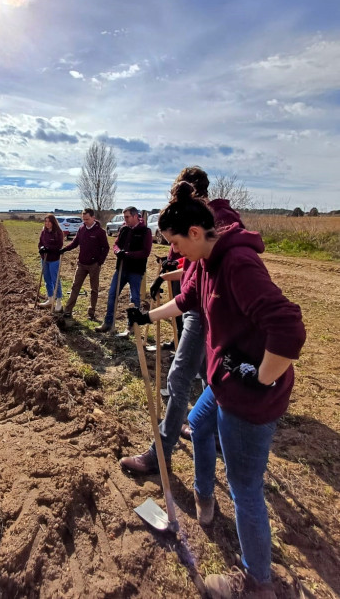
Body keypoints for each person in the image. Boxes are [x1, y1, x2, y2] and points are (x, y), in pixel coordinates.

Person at [127, 182, 306, 598]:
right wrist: (145, 315)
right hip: (224, 384)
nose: (174, 253)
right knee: (198, 422)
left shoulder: (238, 263)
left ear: (194, 232)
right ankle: (205, 498)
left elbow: (289, 328)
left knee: (246, 488)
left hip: (250, 398)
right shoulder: (204, 262)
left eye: (174, 243)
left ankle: (257, 581)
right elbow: (187, 299)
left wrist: (260, 376)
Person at [122, 167, 244, 474]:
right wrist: (166, 277)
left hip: (203, 312)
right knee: (206, 375)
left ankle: (159, 453)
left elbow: (203, 281)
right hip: (198, 305)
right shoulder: (206, 221)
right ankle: (212, 430)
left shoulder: (215, 223)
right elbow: (195, 273)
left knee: (178, 379)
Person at [95, 206, 152, 335]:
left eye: (127, 217)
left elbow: (145, 252)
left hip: (136, 270)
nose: (125, 220)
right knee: (112, 294)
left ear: (135, 216)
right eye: (124, 217)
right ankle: (108, 322)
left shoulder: (145, 231)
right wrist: (117, 251)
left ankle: (131, 325)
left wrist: (127, 254)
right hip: (121, 268)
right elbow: (116, 244)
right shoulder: (124, 229)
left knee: (134, 298)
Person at [60, 208, 109, 320]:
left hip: (94, 265)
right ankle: (68, 310)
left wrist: (100, 262)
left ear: (93, 218)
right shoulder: (82, 229)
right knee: (75, 287)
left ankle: (91, 313)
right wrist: (64, 249)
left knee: (94, 289)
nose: (85, 221)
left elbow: (106, 247)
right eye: (83, 219)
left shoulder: (100, 232)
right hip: (81, 264)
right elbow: (75, 243)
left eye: (87, 219)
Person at [38, 214, 64, 312]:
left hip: (54, 259)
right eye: (46, 221)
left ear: (53, 222)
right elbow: (40, 242)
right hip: (44, 259)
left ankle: (58, 301)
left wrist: (49, 248)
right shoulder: (44, 231)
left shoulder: (58, 232)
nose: (47, 223)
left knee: (55, 280)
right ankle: (50, 299)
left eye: (49, 221)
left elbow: (59, 245)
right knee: (47, 279)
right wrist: (41, 248)